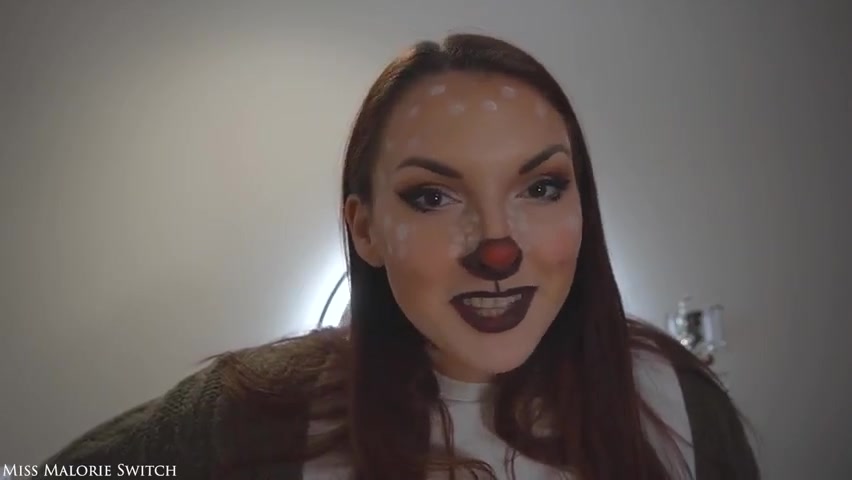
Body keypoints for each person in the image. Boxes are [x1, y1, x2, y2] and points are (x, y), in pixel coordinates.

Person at [36, 33, 759, 480]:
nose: (498, 250)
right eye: (433, 197)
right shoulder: (253, 417)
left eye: (541, 186)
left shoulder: (675, 403)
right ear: (366, 230)